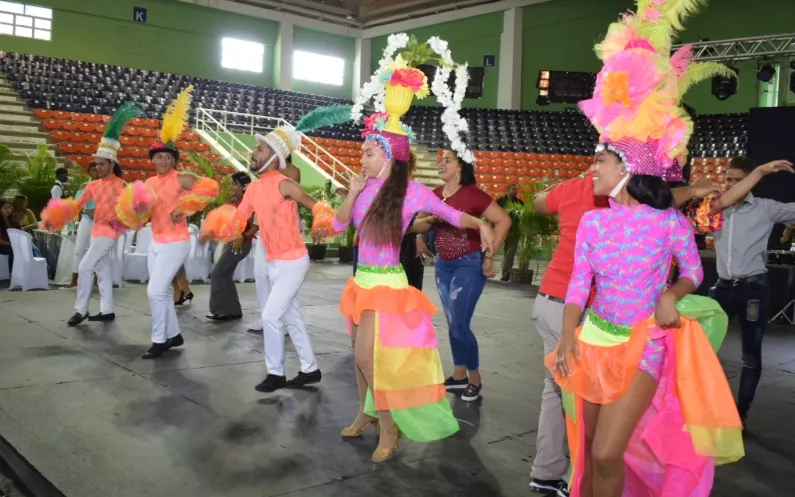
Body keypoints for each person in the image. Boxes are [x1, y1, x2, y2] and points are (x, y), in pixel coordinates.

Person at [547, 3, 743, 495]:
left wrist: (671, 294)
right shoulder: (594, 221)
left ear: (628, 170)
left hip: (644, 345)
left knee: (609, 450)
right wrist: (568, 337)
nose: (594, 169)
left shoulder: (668, 223)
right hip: (592, 340)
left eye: (602, 162)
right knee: (588, 447)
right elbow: (577, 285)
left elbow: (694, 272)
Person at [307, 71, 497, 460]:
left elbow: (449, 213)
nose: (361, 158)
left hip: (388, 286)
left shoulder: (411, 192)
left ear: (390, 156)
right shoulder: (363, 189)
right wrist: (353, 193)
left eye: (368, 152)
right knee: (359, 357)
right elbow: (339, 224)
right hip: (361, 282)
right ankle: (365, 414)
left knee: (367, 357)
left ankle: (390, 427)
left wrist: (479, 222)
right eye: (363, 152)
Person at [218, 126, 321, 392]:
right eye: (255, 148)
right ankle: (310, 369)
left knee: (271, 316)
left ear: (275, 157)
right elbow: (241, 216)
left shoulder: (285, 183)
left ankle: (275, 373)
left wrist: (325, 221)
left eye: (260, 149)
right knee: (291, 317)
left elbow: (315, 205)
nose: (254, 152)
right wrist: (222, 227)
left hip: (294, 260)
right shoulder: (253, 189)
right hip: (275, 261)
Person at [413, 149, 511, 402]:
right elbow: (421, 222)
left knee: (459, 325)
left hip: (469, 265)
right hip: (443, 265)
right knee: (452, 323)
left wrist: (489, 254)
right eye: (441, 160)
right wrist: (419, 237)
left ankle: (474, 377)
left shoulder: (474, 195)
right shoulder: (434, 194)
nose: (441, 164)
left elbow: (503, 221)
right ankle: (459, 376)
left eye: (448, 160)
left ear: (460, 167)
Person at [705, 155, 795, 427]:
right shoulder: (715, 208)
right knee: (702, 352)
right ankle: (705, 412)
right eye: (728, 180)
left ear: (750, 182)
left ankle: (738, 416)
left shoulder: (765, 208)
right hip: (720, 288)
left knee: (751, 354)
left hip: (754, 289)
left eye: (738, 181)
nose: (732, 185)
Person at [142, 86, 207, 359]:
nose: (163, 160)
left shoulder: (182, 178)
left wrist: (186, 208)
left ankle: (159, 339)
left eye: (168, 157)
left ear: (173, 160)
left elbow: (208, 190)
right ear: (153, 159)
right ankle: (174, 334)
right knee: (163, 294)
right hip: (155, 241)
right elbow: (143, 211)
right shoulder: (148, 182)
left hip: (176, 242)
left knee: (154, 290)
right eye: (159, 156)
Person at [66, 103, 142, 326]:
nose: (97, 167)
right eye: (96, 164)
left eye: (101, 164)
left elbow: (133, 210)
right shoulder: (93, 184)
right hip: (96, 230)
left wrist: (120, 220)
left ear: (112, 164)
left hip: (109, 232)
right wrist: (63, 210)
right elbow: (77, 203)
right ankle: (107, 310)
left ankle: (81, 310)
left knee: (85, 266)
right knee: (102, 269)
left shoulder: (122, 185)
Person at [246, 155, 301, 333]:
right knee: (260, 274)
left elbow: (283, 193)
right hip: (265, 225)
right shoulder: (263, 172)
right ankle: (266, 316)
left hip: (284, 228)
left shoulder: (291, 171)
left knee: (283, 277)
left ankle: (283, 320)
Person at [207, 172, 257, 320]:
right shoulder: (231, 201)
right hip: (230, 242)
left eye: (234, 184)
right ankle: (233, 310)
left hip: (241, 244)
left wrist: (243, 236)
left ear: (243, 187)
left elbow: (255, 226)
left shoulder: (248, 203)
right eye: (231, 183)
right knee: (225, 276)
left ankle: (220, 309)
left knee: (217, 274)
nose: (231, 186)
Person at [65, 162, 100, 289]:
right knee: (79, 250)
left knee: (95, 251)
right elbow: (76, 205)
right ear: (89, 172)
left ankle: (96, 280)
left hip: (99, 222)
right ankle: (74, 280)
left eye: (97, 169)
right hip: (86, 220)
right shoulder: (84, 186)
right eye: (92, 169)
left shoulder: (106, 186)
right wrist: (87, 211)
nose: (95, 171)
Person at [497, 184, 522, 281]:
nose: (515, 191)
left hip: (513, 233)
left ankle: (506, 275)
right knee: (490, 251)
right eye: (513, 189)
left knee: (509, 255)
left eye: (516, 189)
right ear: (507, 190)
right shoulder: (500, 202)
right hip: (499, 231)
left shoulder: (520, 203)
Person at [0, 199, 15, 273]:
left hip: (9, 242)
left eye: (9, 207)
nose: (8, 210)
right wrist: (11, 244)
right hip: (2, 244)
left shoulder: (11, 219)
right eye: (5, 208)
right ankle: (12, 271)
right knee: (13, 249)